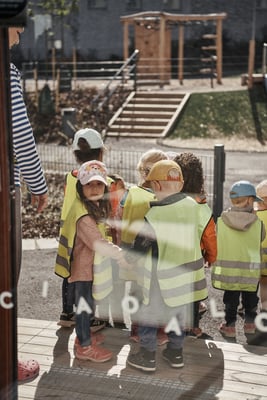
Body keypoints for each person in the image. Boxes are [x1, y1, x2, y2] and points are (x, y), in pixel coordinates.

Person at [125, 160, 211, 372]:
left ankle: (147, 356)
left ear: (158, 185)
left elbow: (140, 245)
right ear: (180, 185)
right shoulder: (195, 207)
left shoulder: (155, 214)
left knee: (150, 316)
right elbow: (206, 229)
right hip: (186, 278)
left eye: (153, 186)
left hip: (159, 279)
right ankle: (175, 353)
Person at [55, 160, 130, 361]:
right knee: (84, 307)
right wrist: (120, 255)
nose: (95, 188)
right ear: (81, 187)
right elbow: (97, 243)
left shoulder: (92, 207)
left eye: (99, 184)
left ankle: (83, 338)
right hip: (82, 270)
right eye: (89, 184)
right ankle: (84, 347)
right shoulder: (84, 216)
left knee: (89, 304)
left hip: (88, 268)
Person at [8, 27, 48, 382]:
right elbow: (20, 133)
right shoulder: (6, 73)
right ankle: (5, 360)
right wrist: (37, 184)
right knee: (6, 273)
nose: (21, 28)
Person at [55, 127, 107, 331]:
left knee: (69, 274)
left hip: (69, 234)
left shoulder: (71, 177)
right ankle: (89, 318)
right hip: (89, 237)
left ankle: (67, 313)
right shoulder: (101, 180)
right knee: (86, 279)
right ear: (101, 151)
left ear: (75, 153)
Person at [116, 148, 169, 345]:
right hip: (152, 256)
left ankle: (136, 330)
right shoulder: (159, 199)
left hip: (130, 252)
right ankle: (159, 331)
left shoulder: (129, 193)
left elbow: (118, 218)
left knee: (137, 292)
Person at [211, 180, 265, 338]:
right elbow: (262, 237)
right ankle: (249, 325)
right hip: (250, 272)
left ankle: (229, 326)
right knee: (251, 300)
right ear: (249, 201)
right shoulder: (257, 223)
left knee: (230, 300)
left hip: (229, 271)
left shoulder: (222, 221)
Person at [174, 152, 217, 338]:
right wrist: (211, 256)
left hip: (171, 257)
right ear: (200, 178)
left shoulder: (167, 203)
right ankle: (193, 328)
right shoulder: (202, 207)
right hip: (194, 257)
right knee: (192, 294)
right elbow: (210, 237)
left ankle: (174, 328)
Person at [255, 180, 267, 314]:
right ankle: (264, 308)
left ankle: (244, 305)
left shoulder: (255, 216)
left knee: (250, 284)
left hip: (256, 258)